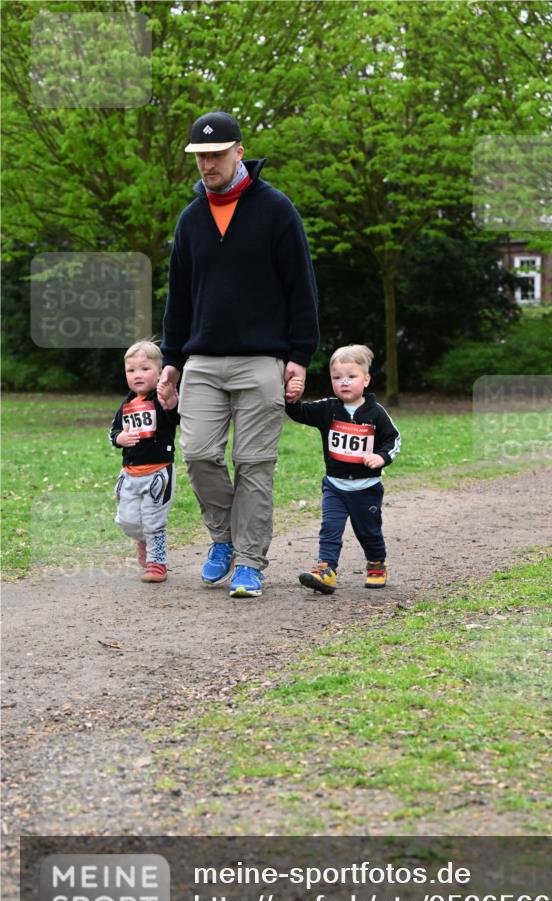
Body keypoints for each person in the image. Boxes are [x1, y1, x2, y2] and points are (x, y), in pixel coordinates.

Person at [158, 111, 319, 598]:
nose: (207, 164)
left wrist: (300, 354)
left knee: (254, 463)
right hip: (202, 360)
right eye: (200, 157)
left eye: (216, 154)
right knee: (199, 453)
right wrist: (171, 359)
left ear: (239, 152)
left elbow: (301, 286)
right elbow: (179, 297)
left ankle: (250, 562)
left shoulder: (275, 209)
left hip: (262, 360)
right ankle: (223, 538)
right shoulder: (191, 220)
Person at [285, 344, 400, 594]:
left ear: (366, 379)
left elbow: (393, 440)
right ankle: (326, 571)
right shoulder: (328, 408)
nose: (344, 383)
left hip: (366, 488)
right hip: (335, 486)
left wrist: (381, 457)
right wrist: (291, 398)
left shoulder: (376, 413)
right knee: (330, 529)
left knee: (368, 531)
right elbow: (299, 413)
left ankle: (376, 564)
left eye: (351, 377)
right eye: (337, 378)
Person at [109, 341, 179, 582]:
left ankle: (157, 563)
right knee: (127, 521)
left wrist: (171, 398)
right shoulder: (126, 404)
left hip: (158, 472)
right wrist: (121, 437)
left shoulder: (163, 399)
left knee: (154, 520)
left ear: (160, 372)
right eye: (131, 370)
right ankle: (141, 539)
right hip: (129, 473)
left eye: (145, 369)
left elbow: (175, 414)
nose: (137, 375)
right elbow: (113, 432)